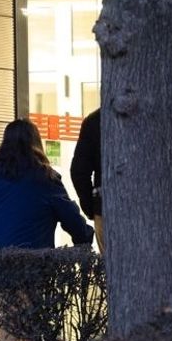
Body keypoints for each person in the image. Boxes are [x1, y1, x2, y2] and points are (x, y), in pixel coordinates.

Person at [0, 119, 94, 249]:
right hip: (32, 260)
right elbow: (72, 219)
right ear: (36, 143)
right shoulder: (46, 179)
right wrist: (85, 239)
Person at [69, 107, 103, 252]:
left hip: (105, 208)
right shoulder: (160, 112)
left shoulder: (95, 120)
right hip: (155, 210)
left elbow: (79, 171)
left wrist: (92, 208)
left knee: (110, 262)